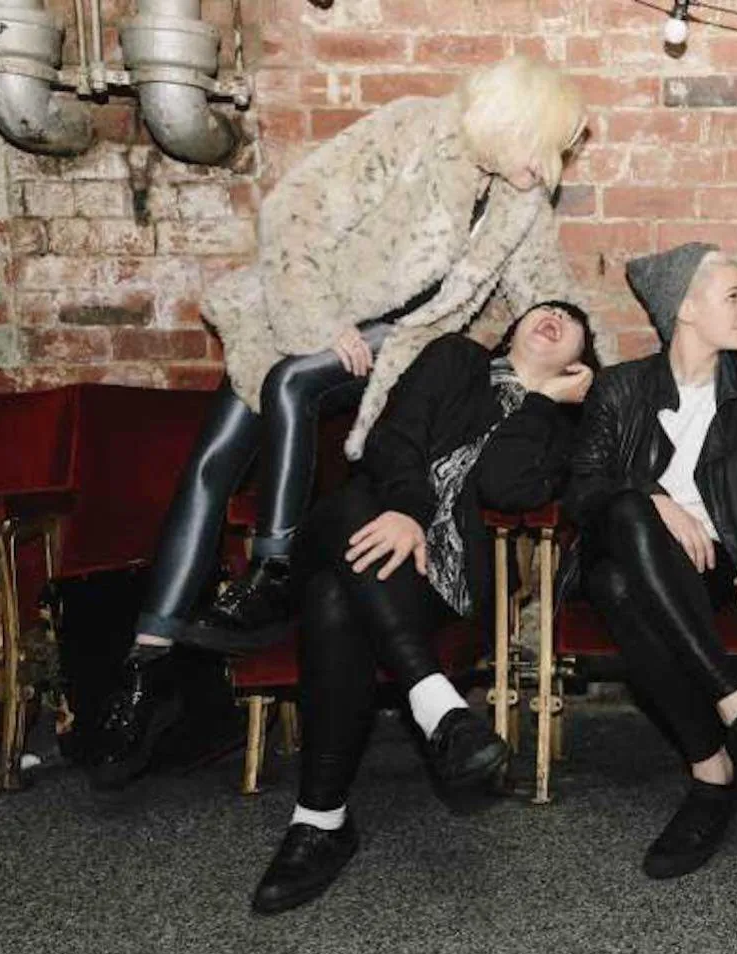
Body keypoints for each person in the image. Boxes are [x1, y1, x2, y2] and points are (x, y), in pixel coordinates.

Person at [86, 55, 590, 792]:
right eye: (547, 146)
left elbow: (553, 295)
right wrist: (318, 321)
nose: (551, 167)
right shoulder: (413, 131)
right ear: (513, 124)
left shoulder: (521, 203)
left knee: (293, 384)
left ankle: (275, 569)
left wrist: (594, 376)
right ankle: (146, 663)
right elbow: (294, 212)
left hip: (393, 342)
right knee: (212, 464)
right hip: (304, 309)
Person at [251, 302, 597, 915]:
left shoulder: (560, 430)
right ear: (511, 330)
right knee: (353, 512)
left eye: (571, 324)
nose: (554, 316)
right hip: (367, 516)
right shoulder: (456, 358)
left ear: (579, 364)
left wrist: (540, 400)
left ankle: (320, 822)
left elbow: (504, 486)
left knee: (334, 598)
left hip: (439, 577)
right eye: (544, 308)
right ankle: (437, 706)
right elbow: (393, 440)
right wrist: (408, 512)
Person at [565, 243, 737, 880]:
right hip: (623, 544)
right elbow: (582, 489)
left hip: (710, 568)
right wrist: (656, 500)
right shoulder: (619, 387)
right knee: (627, 521)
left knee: (618, 587)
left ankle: (712, 774)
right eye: (733, 297)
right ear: (684, 307)